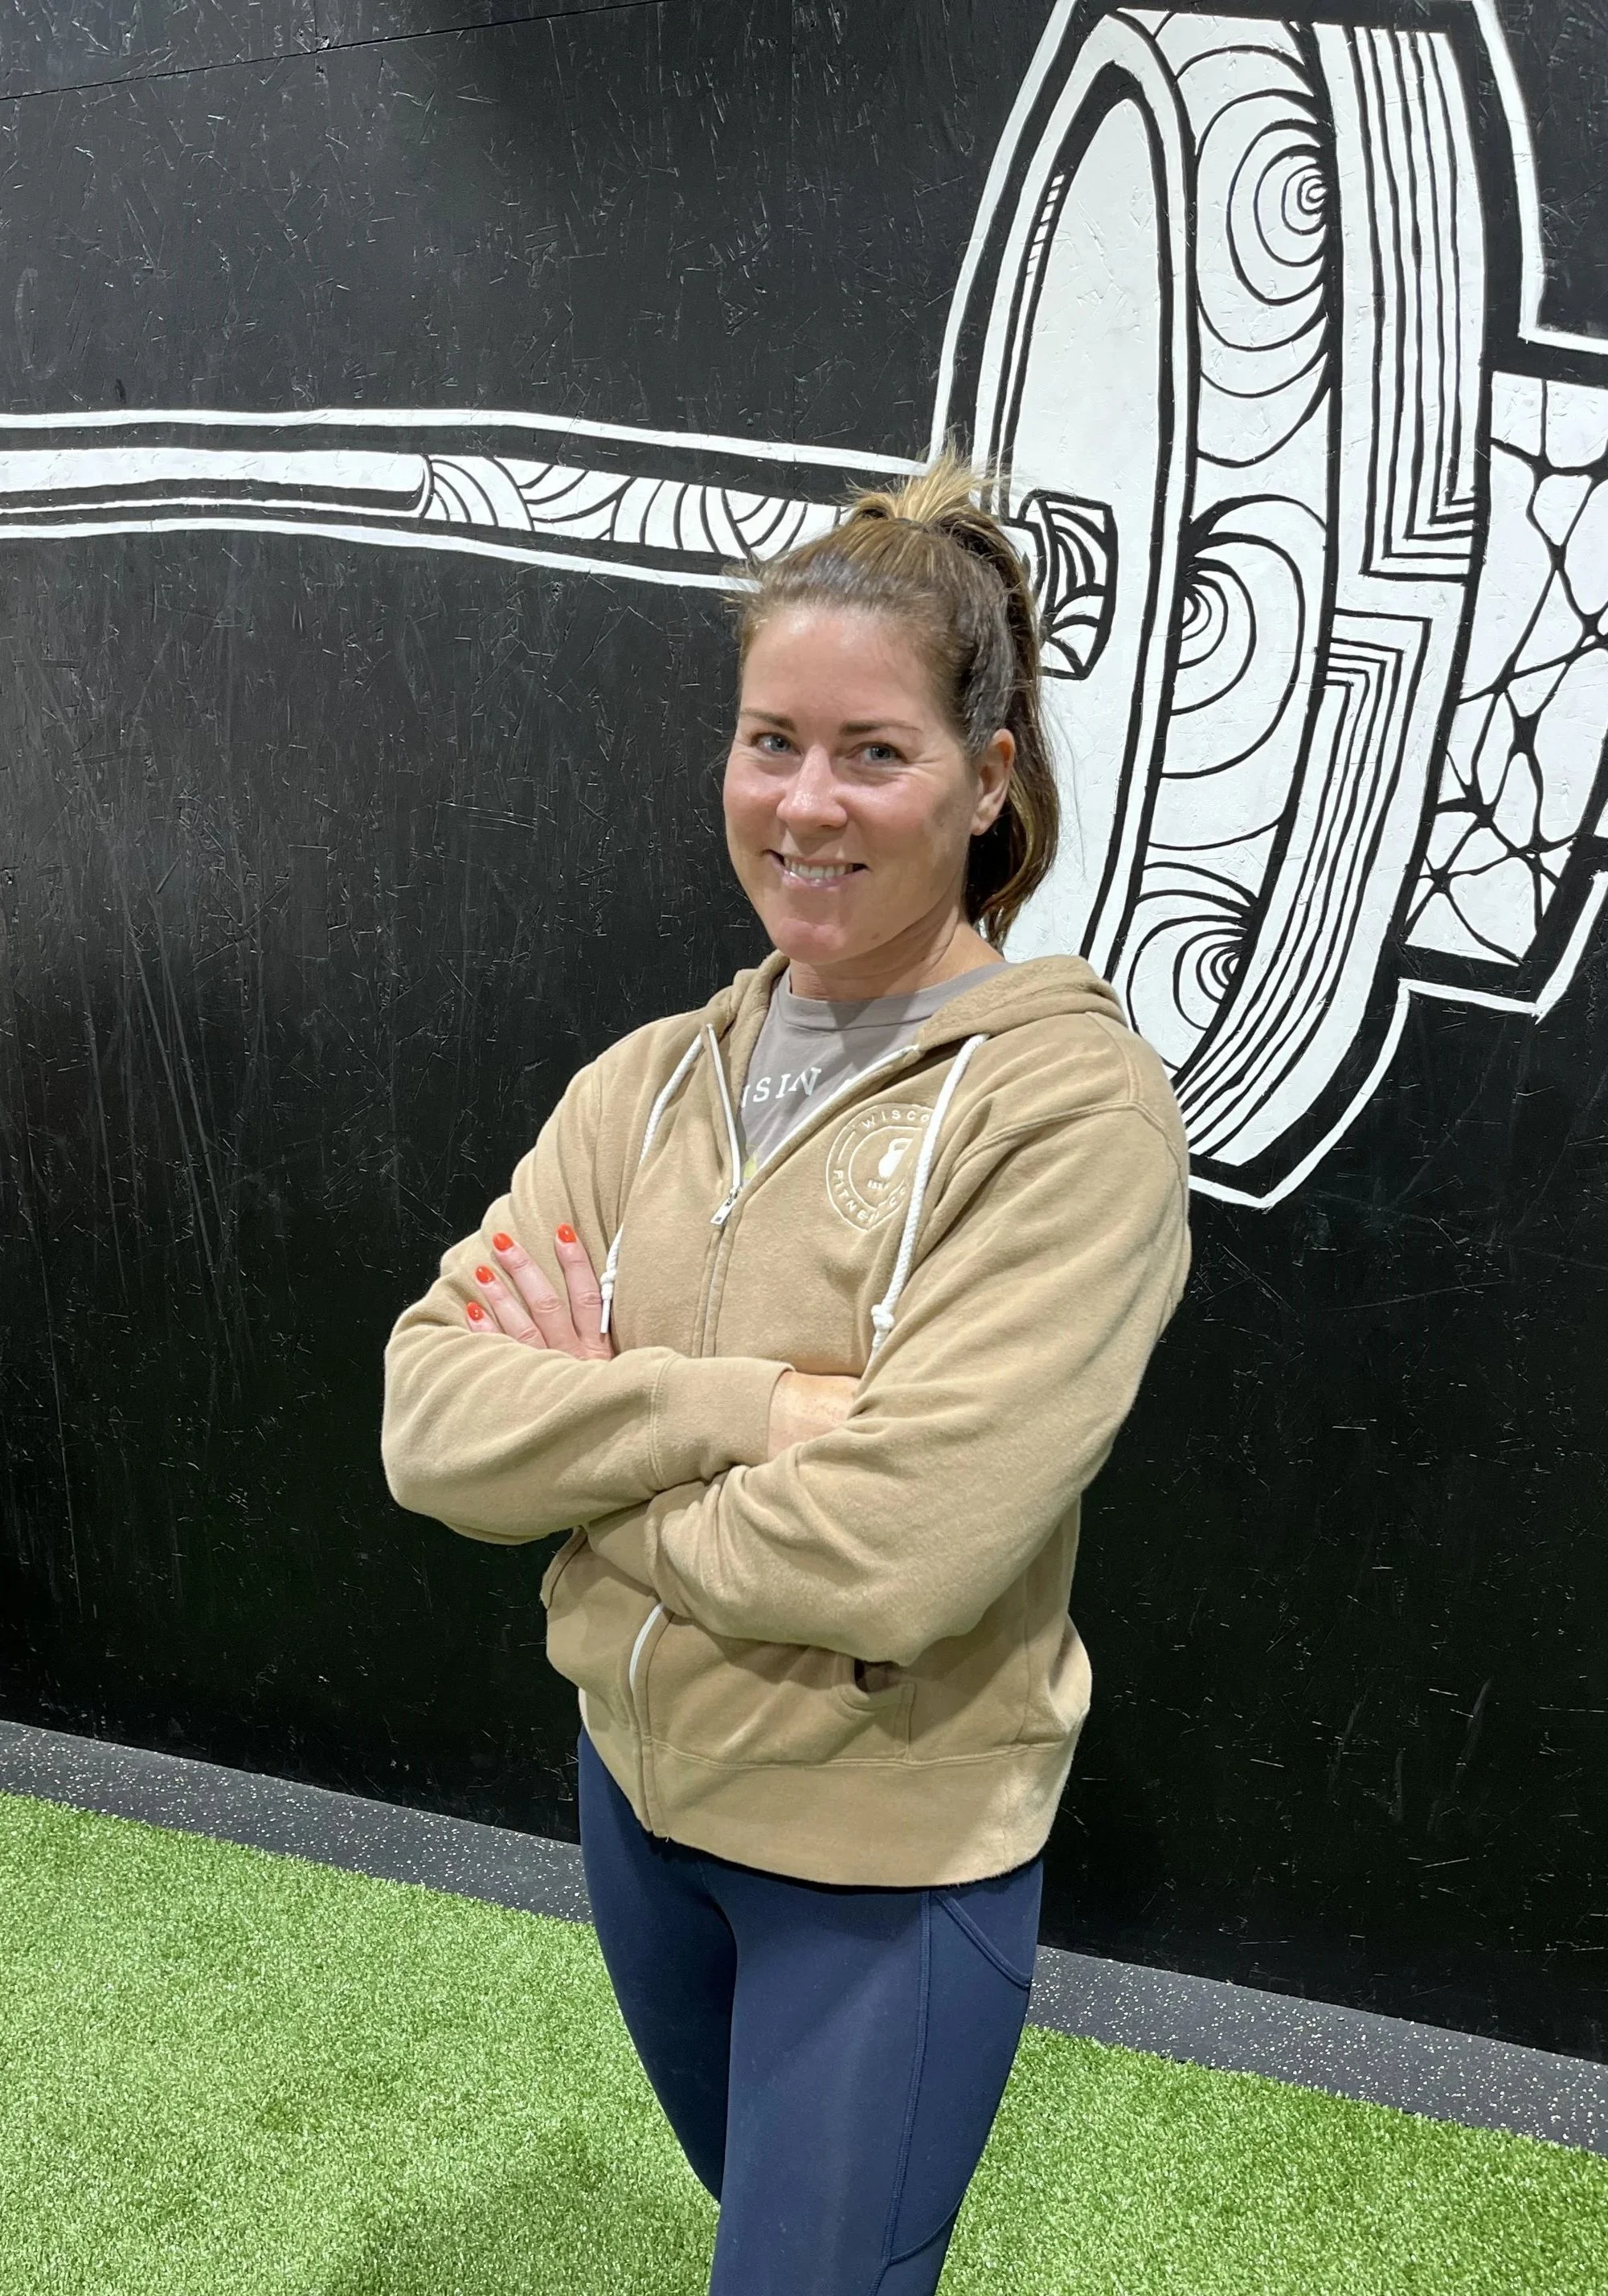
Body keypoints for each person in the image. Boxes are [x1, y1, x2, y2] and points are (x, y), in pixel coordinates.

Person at [380, 454, 1191, 2294]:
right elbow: (430, 1420)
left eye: (873, 752)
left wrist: (585, 1481)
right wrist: (737, 1413)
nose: (805, 802)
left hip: (880, 1863)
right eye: (771, 742)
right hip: (635, 1811)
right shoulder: (647, 1082)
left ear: (988, 779)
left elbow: (893, 1553)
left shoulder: (1072, 1115)